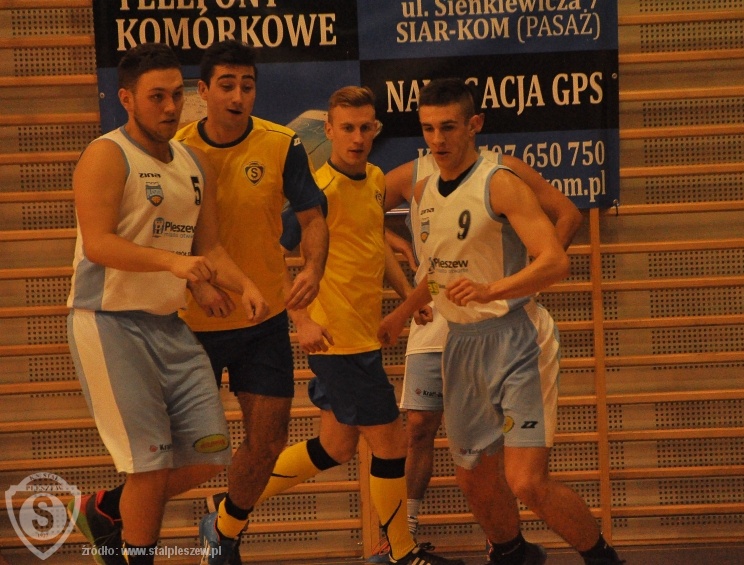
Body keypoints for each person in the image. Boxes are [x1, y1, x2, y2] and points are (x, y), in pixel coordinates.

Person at [198, 85, 464, 565]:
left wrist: (405, 296)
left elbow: (373, 243)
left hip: (364, 334)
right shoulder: (318, 191)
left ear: (375, 130)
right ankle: (400, 552)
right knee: (391, 441)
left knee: (336, 445)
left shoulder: (376, 178)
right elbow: (274, 259)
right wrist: (301, 319)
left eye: (365, 128)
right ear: (329, 130)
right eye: (347, 128)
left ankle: (226, 513)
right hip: (337, 340)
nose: (357, 138)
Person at [378, 78, 623, 565]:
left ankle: (603, 559)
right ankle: (514, 554)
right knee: (472, 475)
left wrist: (495, 289)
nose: (437, 139)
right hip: (461, 343)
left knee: (526, 481)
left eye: (448, 127)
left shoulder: (500, 182)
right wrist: (401, 314)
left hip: (517, 340)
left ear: (474, 125)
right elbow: (438, 272)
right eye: (428, 128)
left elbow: (555, 261)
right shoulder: (424, 190)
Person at [65, 42, 269, 565]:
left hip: (167, 326)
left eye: (177, 95)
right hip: (108, 323)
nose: (171, 107)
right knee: (150, 467)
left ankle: (105, 510)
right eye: (157, 96)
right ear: (126, 99)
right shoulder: (106, 154)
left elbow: (209, 249)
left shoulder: (193, 162)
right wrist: (174, 265)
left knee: (209, 454)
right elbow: (98, 244)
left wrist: (242, 284)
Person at [171, 40, 330, 565]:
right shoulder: (175, 148)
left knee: (267, 442)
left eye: (247, 85)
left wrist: (312, 268)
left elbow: (312, 217)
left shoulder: (282, 144)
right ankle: (118, 517)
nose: (238, 96)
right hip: (188, 322)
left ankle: (225, 532)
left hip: (261, 320)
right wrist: (197, 283)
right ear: (203, 91)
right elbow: (161, 234)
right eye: (227, 85)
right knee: (186, 452)